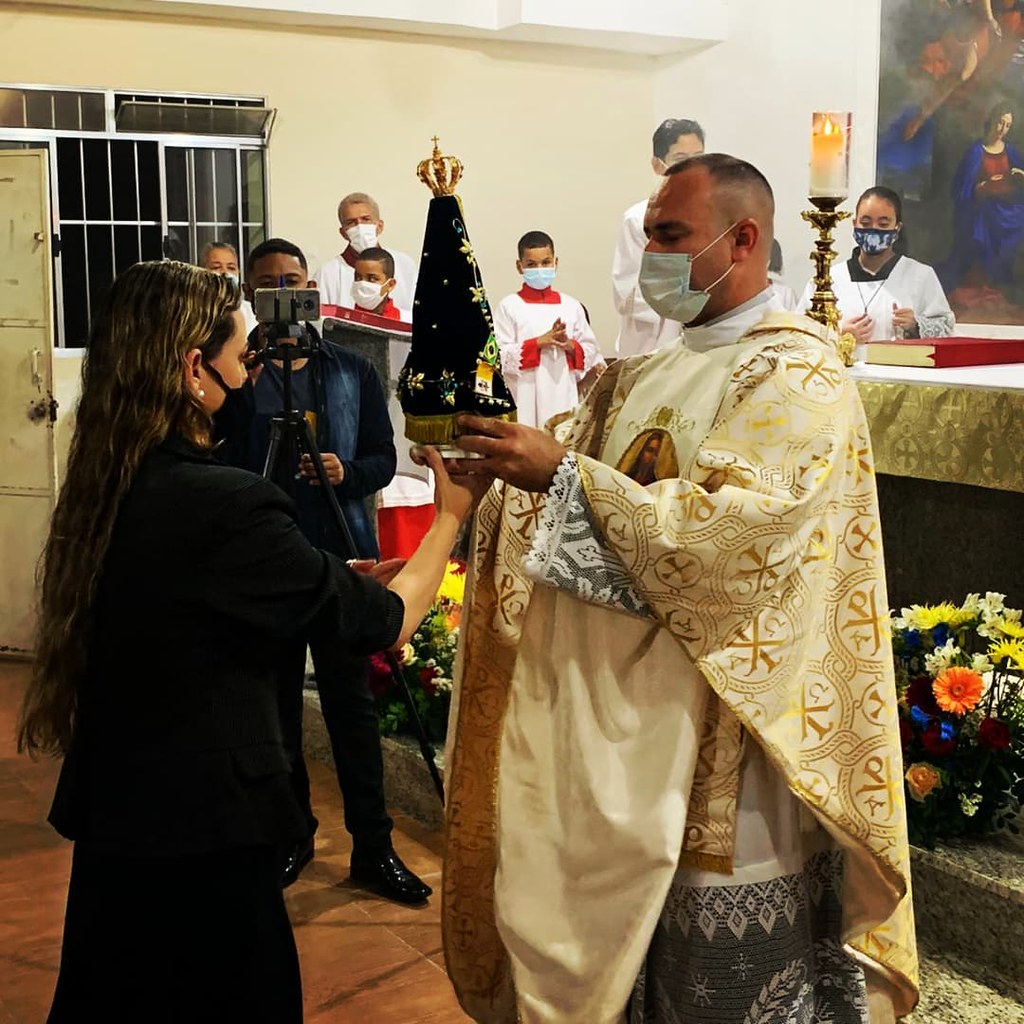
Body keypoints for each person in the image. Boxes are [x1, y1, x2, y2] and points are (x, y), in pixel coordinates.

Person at [441, 155, 918, 1024]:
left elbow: (743, 542)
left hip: (723, 747)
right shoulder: (644, 373)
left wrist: (566, 481)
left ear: (743, 240)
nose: (650, 254)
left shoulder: (796, 377)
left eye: (669, 235)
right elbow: (567, 498)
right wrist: (492, 479)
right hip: (612, 747)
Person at [16, 260, 484, 1022]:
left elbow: (196, 595)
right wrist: (452, 515)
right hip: (204, 833)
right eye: (242, 358)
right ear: (194, 369)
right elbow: (384, 623)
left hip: (124, 812)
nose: (253, 375)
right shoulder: (220, 499)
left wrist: (323, 571)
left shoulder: (114, 478)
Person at [219, 237, 431, 904]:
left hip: (343, 556)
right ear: (251, 296)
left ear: (312, 285)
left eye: (293, 281)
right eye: (268, 285)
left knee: (351, 712)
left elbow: (380, 457)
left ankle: (373, 847)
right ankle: (294, 833)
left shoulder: (350, 369)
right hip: (267, 565)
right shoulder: (237, 377)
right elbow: (218, 464)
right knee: (277, 709)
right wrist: (242, 391)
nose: (282, 294)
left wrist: (345, 471)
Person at [799, 186, 954, 353]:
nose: (874, 229)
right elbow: (798, 332)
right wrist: (839, 335)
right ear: (854, 224)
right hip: (841, 375)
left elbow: (947, 329)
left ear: (897, 228)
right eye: (865, 223)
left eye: (883, 224)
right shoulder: (829, 279)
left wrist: (916, 325)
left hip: (900, 374)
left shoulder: (921, 276)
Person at [611, 117, 705, 357]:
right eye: (681, 160)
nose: (692, 168)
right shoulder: (638, 219)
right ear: (657, 164)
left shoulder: (715, 214)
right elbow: (627, 293)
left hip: (703, 343)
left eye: (699, 158)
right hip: (653, 343)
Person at [493, 230, 605, 429]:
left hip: (564, 393)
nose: (540, 269)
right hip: (525, 396)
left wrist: (570, 345)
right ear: (520, 266)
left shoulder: (571, 306)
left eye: (546, 263)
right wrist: (538, 343)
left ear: (556, 262)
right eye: (531, 264)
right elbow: (497, 355)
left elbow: (591, 351)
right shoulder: (509, 306)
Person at [938, 103, 1024, 298]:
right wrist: (982, 187)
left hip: (1009, 205)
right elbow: (960, 189)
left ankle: (1005, 276)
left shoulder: (1012, 152)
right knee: (985, 218)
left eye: (1007, 125)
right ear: (992, 120)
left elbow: (1019, 181)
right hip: (981, 206)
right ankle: (984, 275)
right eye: (1000, 122)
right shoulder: (976, 151)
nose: (1002, 129)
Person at [315, 192, 418, 311]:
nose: (359, 226)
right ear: (343, 233)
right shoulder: (327, 274)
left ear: (379, 226)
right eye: (351, 222)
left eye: (366, 219)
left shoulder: (404, 264)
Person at [200, 239, 257, 333]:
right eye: (216, 267)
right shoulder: (194, 312)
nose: (225, 273)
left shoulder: (251, 312)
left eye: (231, 268)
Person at [352, 245, 410, 321]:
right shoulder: (341, 319)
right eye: (358, 278)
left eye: (372, 279)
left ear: (390, 285)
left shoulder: (407, 322)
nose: (362, 283)